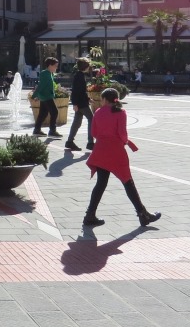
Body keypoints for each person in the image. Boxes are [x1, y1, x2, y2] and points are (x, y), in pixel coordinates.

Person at [83, 87, 161, 228]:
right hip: (116, 152)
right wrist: (125, 142)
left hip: (100, 150)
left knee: (101, 184)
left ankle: (89, 215)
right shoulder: (121, 113)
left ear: (105, 99)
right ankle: (143, 215)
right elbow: (122, 134)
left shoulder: (98, 112)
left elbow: (93, 133)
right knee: (127, 182)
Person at [66, 58, 93, 152]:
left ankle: (69, 141)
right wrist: (75, 103)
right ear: (86, 67)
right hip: (81, 103)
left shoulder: (79, 75)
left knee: (76, 122)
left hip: (80, 102)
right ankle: (90, 143)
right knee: (91, 119)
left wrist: (88, 99)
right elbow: (77, 91)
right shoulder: (80, 76)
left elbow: (80, 91)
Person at [31, 57, 61, 139]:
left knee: (43, 114)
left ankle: (37, 130)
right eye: (55, 66)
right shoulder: (45, 73)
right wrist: (34, 95)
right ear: (50, 65)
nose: (56, 67)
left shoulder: (49, 73)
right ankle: (52, 131)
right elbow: (41, 86)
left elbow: (48, 85)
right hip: (46, 97)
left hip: (45, 96)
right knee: (54, 112)